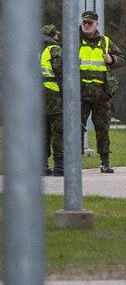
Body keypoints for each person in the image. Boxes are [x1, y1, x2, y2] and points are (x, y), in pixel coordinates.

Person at [77, 10, 122, 174]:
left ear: (96, 24)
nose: (86, 25)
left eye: (90, 23)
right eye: (84, 23)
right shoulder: (74, 41)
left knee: (102, 129)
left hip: (101, 96)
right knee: (76, 129)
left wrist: (111, 59)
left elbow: (121, 58)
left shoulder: (105, 42)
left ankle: (104, 162)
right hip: (79, 96)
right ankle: (74, 163)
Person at [40, 23, 62, 177]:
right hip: (54, 96)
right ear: (54, 35)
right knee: (58, 131)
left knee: (42, 132)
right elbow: (61, 70)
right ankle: (60, 165)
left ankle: (41, 165)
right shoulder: (54, 48)